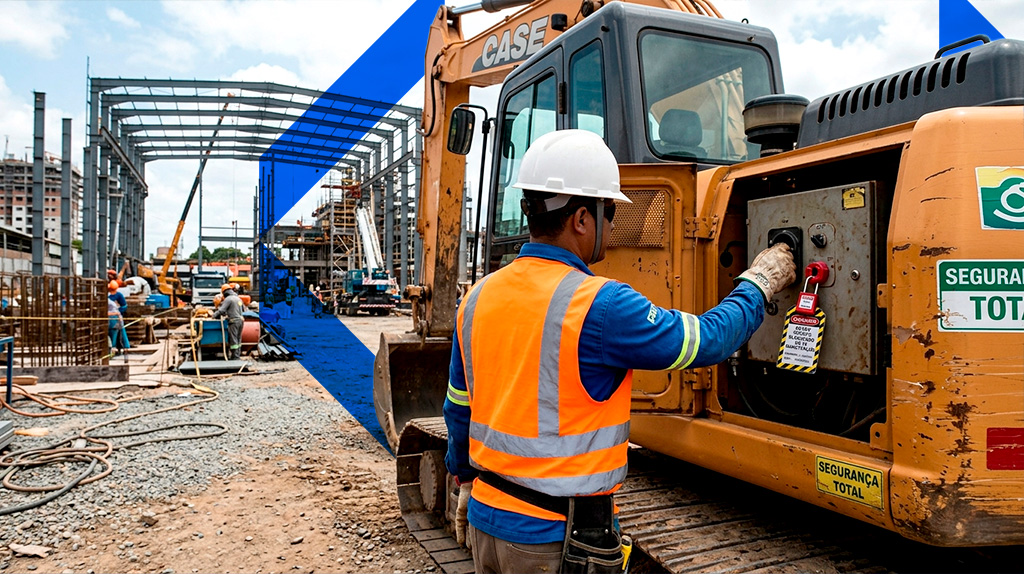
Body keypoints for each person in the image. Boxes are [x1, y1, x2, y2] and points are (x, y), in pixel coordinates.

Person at [443, 130, 796, 574]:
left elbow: (458, 408)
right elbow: (707, 341)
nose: (613, 227)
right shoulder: (599, 304)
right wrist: (758, 283)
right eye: (609, 212)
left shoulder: (478, 297)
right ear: (581, 220)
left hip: (487, 523)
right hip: (554, 541)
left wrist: (463, 480)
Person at [211, 283, 245, 360]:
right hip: (241, 321)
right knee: (238, 338)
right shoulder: (238, 298)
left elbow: (222, 310)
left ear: (225, 292)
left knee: (233, 339)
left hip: (234, 321)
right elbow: (242, 309)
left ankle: (235, 357)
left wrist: (213, 315)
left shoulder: (228, 299)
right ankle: (237, 355)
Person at [107, 280, 130, 353]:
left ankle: (122, 347)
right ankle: (115, 347)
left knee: (119, 332)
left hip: (115, 317)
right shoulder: (108, 296)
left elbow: (124, 306)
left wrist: (118, 311)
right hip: (111, 317)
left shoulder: (118, 295)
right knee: (114, 333)